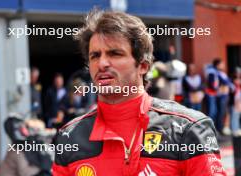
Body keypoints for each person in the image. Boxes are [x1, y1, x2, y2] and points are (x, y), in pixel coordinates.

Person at [52, 10, 226, 176]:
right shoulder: (69, 137)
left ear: (143, 66)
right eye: (95, 56)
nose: (102, 63)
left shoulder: (189, 129)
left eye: (115, 53)